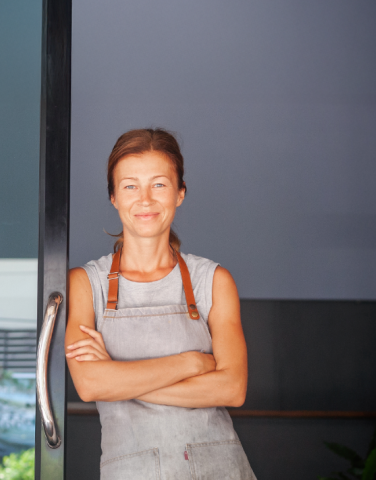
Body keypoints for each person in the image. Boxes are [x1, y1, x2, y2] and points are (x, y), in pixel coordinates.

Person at [65, 128, 256, 479]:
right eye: (130, 186)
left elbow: (232, 388)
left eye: (159, 185)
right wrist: (193, 363)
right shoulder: (84, 283)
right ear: (113, 197)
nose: (145, 200)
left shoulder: (212, 281)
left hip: (218, 469)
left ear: (180, 193)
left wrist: (121, 378)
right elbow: (91, 384)